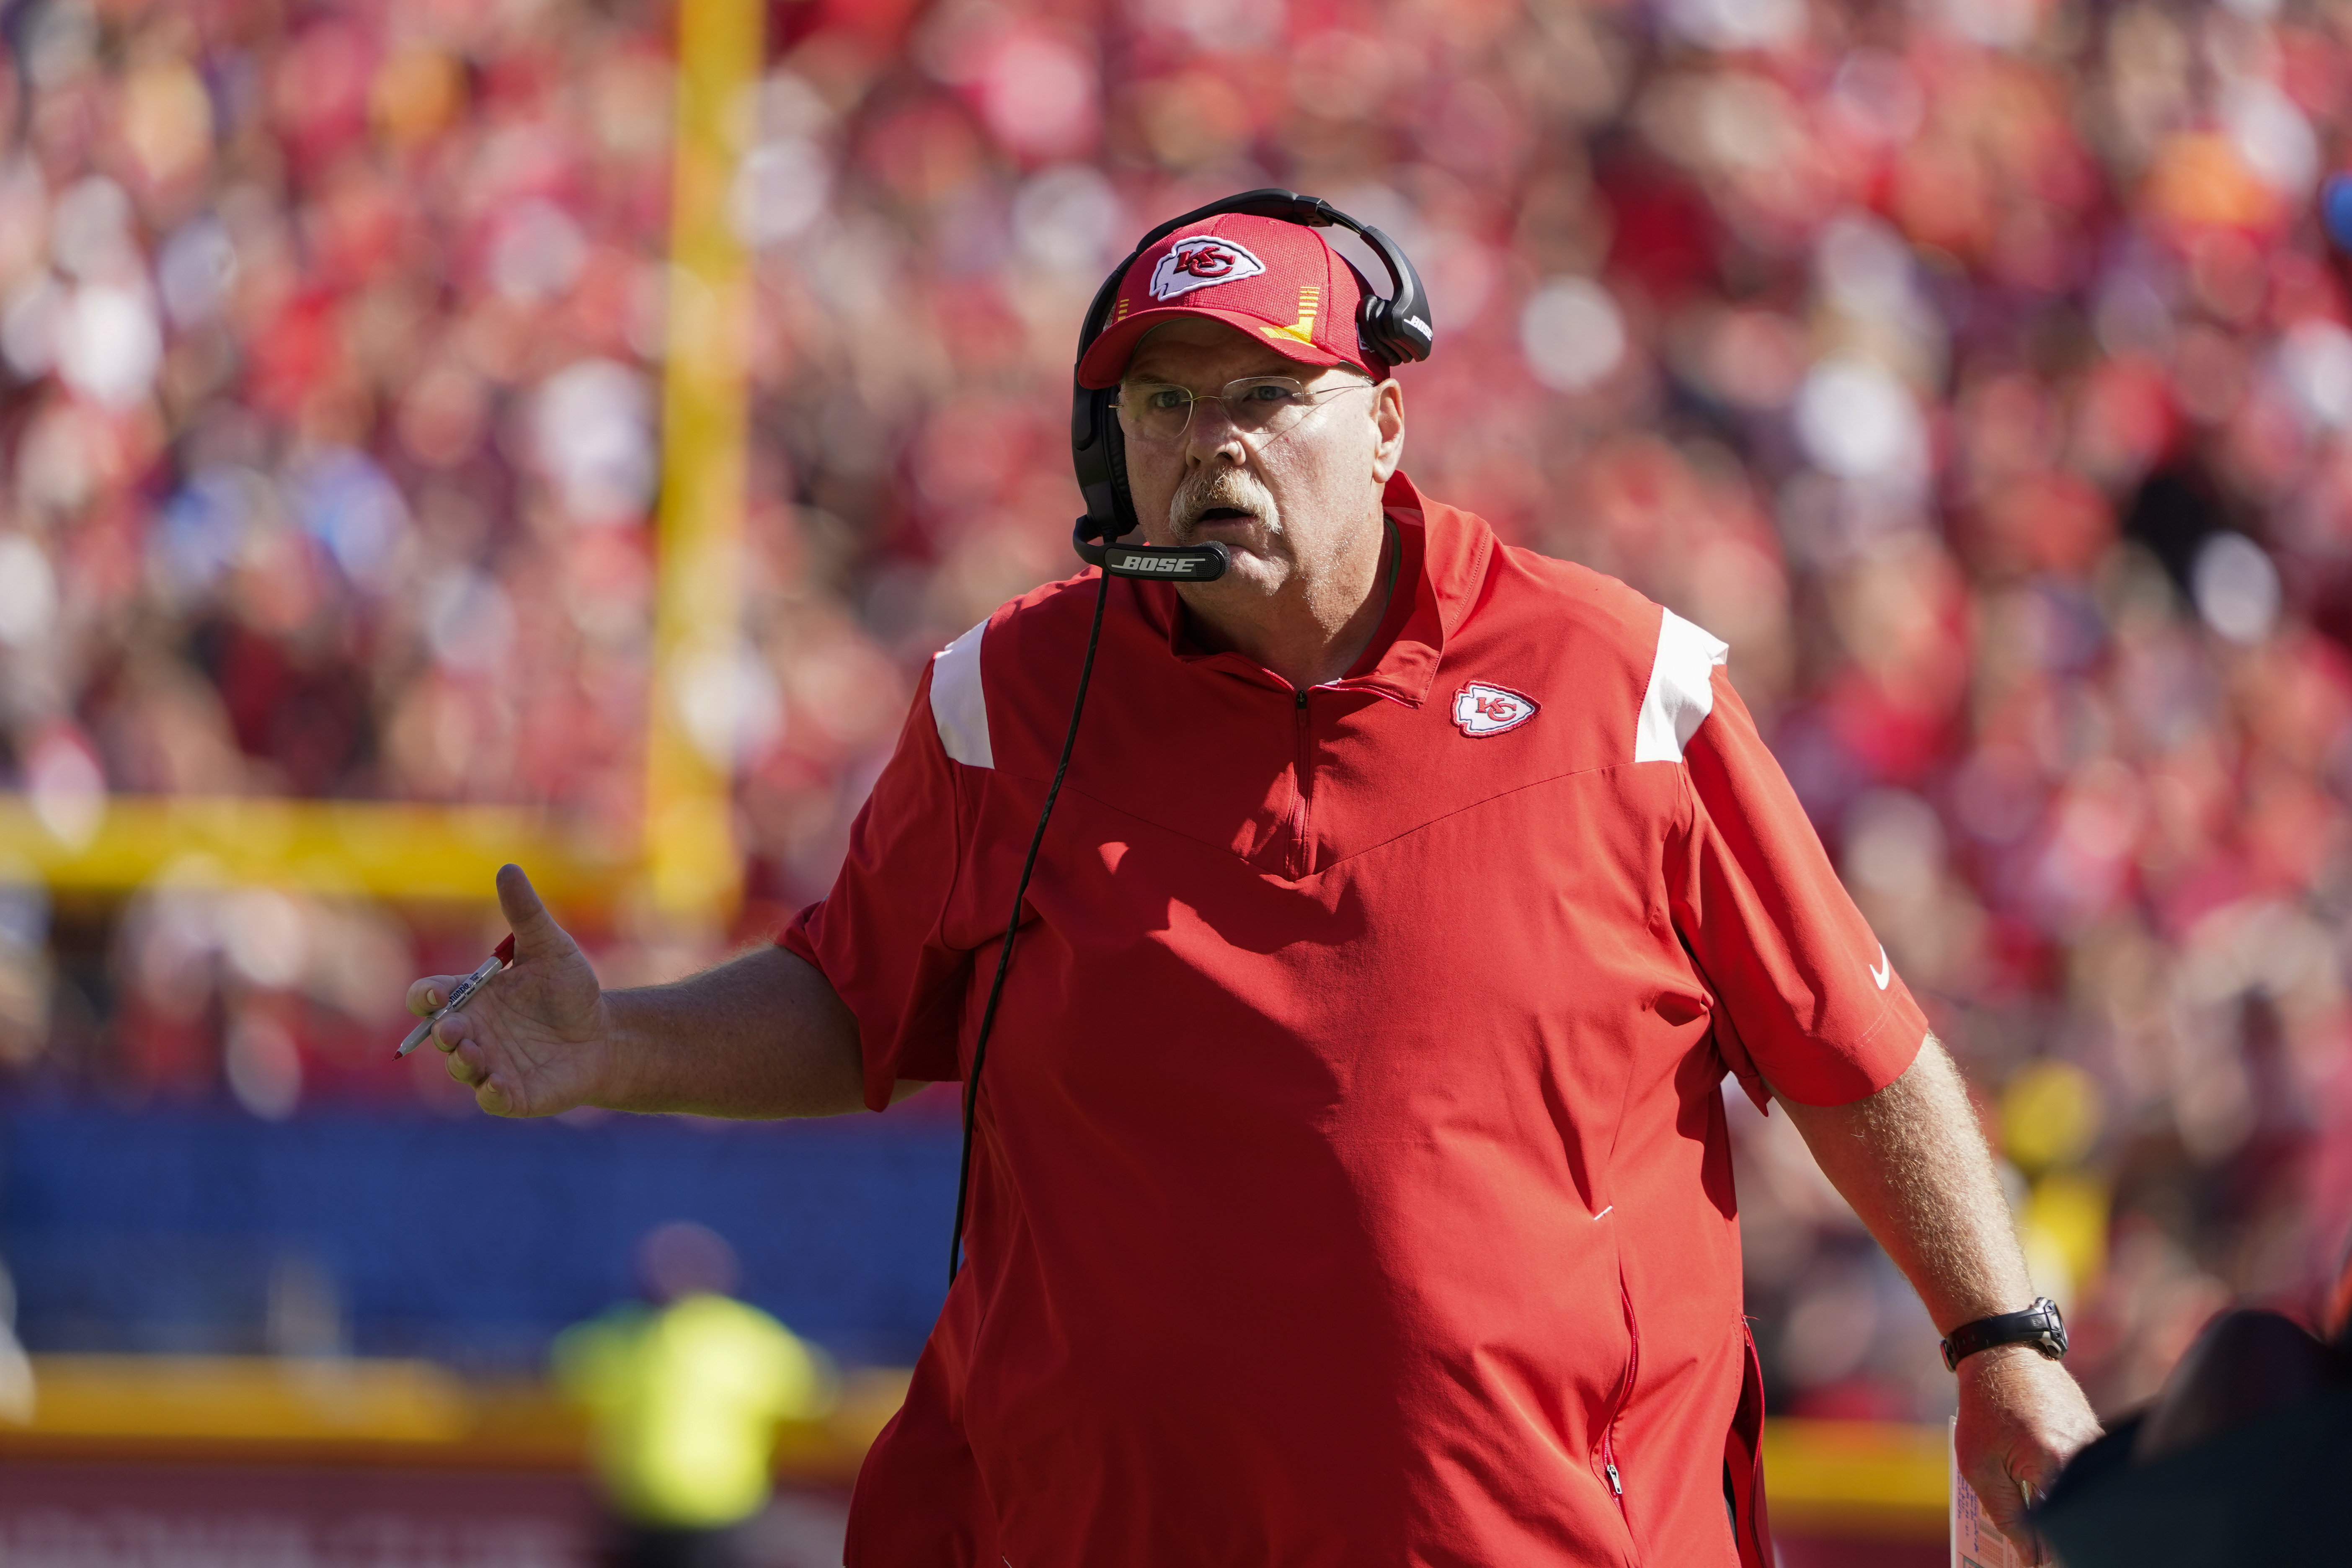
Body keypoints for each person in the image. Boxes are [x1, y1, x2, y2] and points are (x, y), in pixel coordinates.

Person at [409, 201, 2102, 1566]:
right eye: (1159, 402)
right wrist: (619, 1044)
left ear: (1378, 422)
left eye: (1257, 396)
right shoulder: (1008, 698)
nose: (1203, 441)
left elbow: (1846, 1048)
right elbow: (852, 1000)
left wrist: (1994, 1344)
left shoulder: (1618, 682)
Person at [554, 1221, 831, 1568]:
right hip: (647, 1507)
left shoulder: (635, 1333)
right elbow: (812, 1392)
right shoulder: (634, 1334)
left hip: (709, 1508)